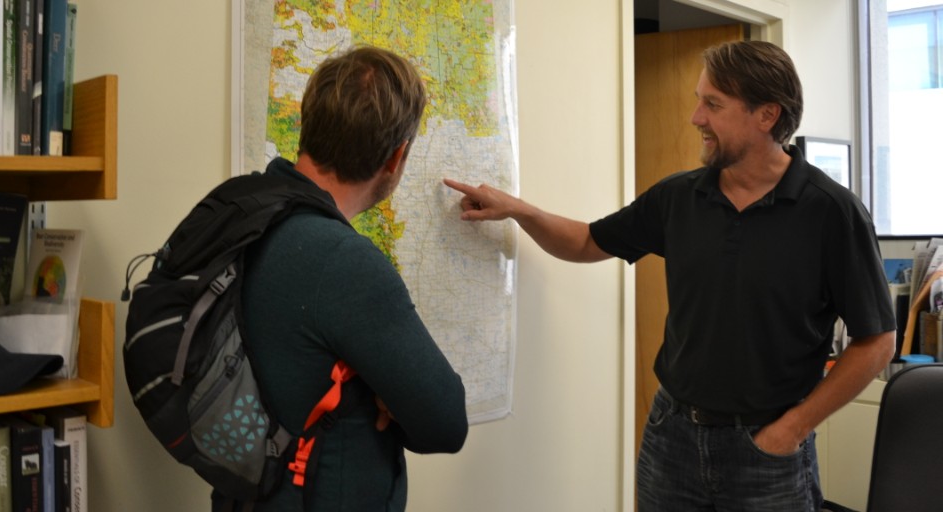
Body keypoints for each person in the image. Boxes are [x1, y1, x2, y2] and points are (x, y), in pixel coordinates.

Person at [444, 40, 895, 511]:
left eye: (713, 104)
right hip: (672, 439)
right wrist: (518, 211)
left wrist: (794, 428)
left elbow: (876, 341)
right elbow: (584, 242)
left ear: (766, 116)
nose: (696, 117)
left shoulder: (832, 212)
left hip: (768, 450)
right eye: (699, 100)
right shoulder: (678, 198)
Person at [218, 46, 468, 511]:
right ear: (395, 158)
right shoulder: (342, 262)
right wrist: (390, 394)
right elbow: (446, 424)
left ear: (308, 124)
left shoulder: (245, 216)